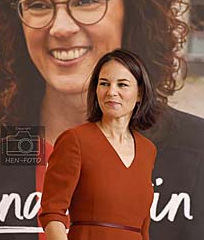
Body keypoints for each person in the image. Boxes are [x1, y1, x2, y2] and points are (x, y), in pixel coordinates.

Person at [0, 0, 203, 239]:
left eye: (86, 0)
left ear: (132, 10)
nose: (61, 28)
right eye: (38, 4)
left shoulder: (195, 149)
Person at [39, 48, 160, 240]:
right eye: (104, 83)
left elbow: (144, 227)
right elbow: (52, 213)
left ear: (139, 94)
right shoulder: (75, 140)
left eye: (122, 84)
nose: (112, 92)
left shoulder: (148, 150)